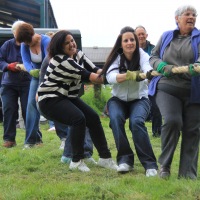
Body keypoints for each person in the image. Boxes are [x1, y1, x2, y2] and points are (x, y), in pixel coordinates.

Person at [37, 30, 117, 172]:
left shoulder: (78, 54)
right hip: (49, 99)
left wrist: (111, 72)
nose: (71, 44)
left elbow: (95, 70)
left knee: (92, 117)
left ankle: (105, 158)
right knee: (78, 119)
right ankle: (76, 160)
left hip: (66, 97)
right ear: (59, 47)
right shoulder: (61, 61)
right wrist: (121, 78)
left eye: (72, 40)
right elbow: (91, 76)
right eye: (66, 43)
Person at [149, 5, 200, 179]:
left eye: (194, 15)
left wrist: (197, 65)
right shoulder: (166, 36)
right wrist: (161, 66)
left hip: (193, 90)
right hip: (167, 87)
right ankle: (164, 166)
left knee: (192, 130)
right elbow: (153, 57)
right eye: (187, 14)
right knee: (172, 121)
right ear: (177, 18)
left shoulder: (199, 37)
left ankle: (187, 174)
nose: (191, 17)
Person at [100, 26, 158, 176]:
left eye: (132, 39)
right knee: (115, 119)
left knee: (136, 122)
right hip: (118, 100)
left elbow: (146, 68)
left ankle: (150, 165)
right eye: (126, 40)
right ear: (121, 44)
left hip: (140, 99)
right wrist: (129, 75)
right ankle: (125, 160)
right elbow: (110, 77)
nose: (130, 43)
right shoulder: (116, 57)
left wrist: (146, 73)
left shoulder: (142, 54)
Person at [15, 22, 51, 148]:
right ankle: (30, 141)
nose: (26, 44)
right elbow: (25, 60)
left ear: (32, 34)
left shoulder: (46, 41)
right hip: (36, 76)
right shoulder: (24, 45)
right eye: (23, 42)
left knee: (51, 103)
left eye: (27, 41)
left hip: (49, 75)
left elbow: (49, 60)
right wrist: (31, 70)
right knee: (31, 104)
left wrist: (41, 73)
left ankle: (64, 137)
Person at [0, 20, 31, 148]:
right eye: (19, 31)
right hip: (9, 83)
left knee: (29, 110)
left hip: (27, 82)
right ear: (14, 33)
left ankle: (34, 139)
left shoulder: (29, 44)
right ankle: (9, 139)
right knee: (9, 110)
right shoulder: (7, 45)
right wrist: (8, 66)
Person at [135, 25, 162, 137]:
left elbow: (158, 62)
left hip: (153, 81)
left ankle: (157, 132)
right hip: (137, 82)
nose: (141, 36)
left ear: (146, 35)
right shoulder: (132, 49)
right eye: (138, 34)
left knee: (156, 106)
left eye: (143, 34)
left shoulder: (154, 48)